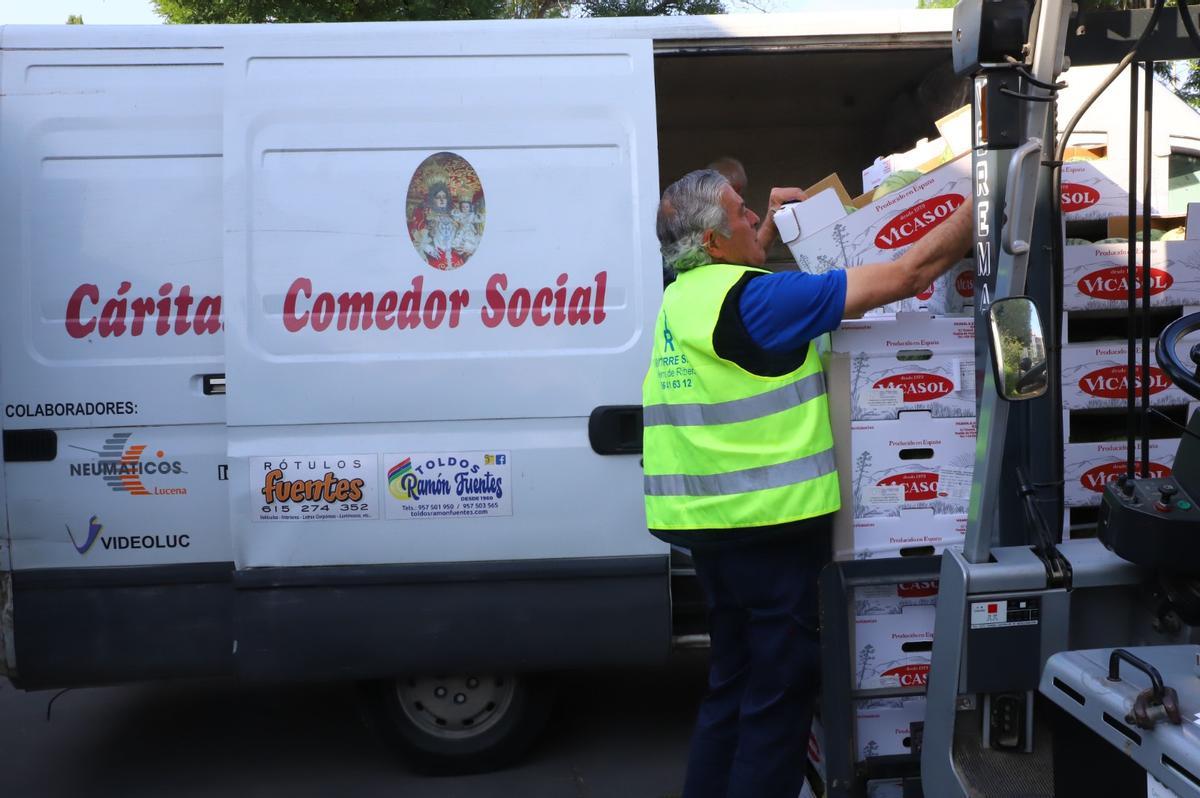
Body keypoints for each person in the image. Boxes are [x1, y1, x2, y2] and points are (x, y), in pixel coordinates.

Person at [643, 169, 972, 798]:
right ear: (712, 242)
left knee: (731, 689)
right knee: (777, 701)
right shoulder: (761, 301)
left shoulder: (682, 296)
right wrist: (987, 202)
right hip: (770, 531)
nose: (751, 218)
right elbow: (909, 276)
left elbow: (739, 283)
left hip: (711, 533)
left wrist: (764, 229)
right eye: (742, 213)